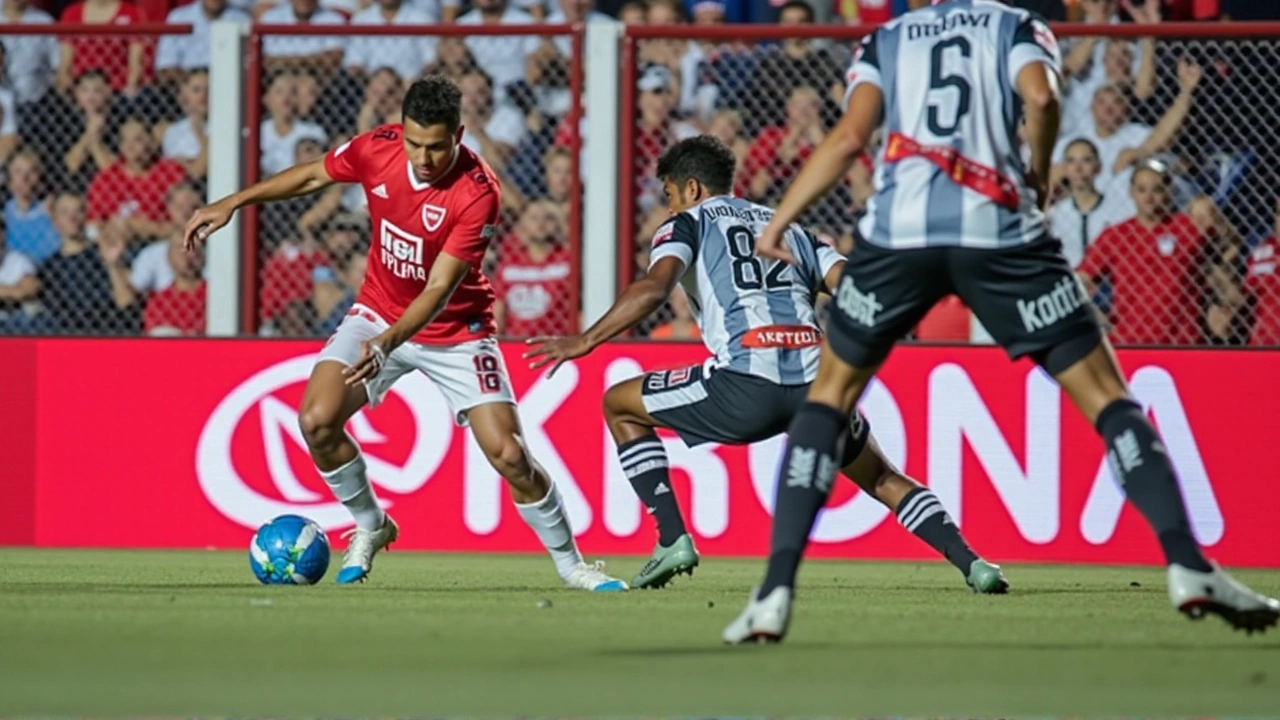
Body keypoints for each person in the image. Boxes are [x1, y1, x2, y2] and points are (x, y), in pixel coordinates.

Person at [726, 0, 1279, 643]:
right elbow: (1042, 100)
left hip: (896, 236)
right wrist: (1038, 177)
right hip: (1000, 231)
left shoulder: (888, 38)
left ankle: (773, 593)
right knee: (1107, 397)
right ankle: (1188, 565)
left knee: (828, 401)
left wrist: (778, 220)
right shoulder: (1013, 25)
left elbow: (850, 138)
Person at [183, 75, 625, 592]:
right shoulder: (379, 148)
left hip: (457, 330)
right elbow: (311, 177)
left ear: (459, 135)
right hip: (376, 312)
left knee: (508, 453)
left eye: (436, 146)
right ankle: (372, 525)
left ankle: (572, 565)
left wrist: (388, 342)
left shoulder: (477, 192)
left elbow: (440, 287)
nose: (423, 157)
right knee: (316, 420)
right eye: (414, 142)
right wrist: (233, 202)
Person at [524, 135, 1007, 594]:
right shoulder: (790, 227)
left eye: (670, 194)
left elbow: (654, 288)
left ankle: (672, 538)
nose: (669, 206)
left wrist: (586, 339)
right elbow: (853, 286)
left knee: (619, 403)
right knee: (881, 477)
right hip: (821, 385)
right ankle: (975, 563)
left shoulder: (686, 223)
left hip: (747, 383)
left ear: (691, 189)